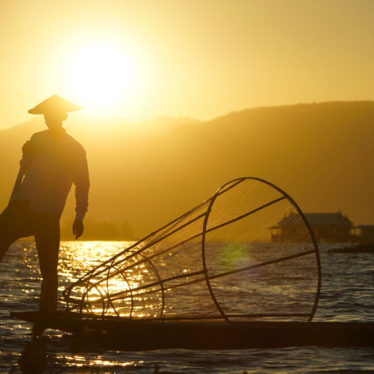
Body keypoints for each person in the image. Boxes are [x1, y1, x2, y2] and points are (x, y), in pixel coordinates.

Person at [0, 94, 90, 315]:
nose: (49, 120)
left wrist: (79, 216)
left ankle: (47, 313)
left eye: (53, 116)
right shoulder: (37, 139)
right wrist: (25, 156)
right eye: (46, 117)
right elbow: (26, 168)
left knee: (49, 269)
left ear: (63, 117)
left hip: (48, 211)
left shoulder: (75, 149)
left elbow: (83, 183)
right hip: (22, 204)